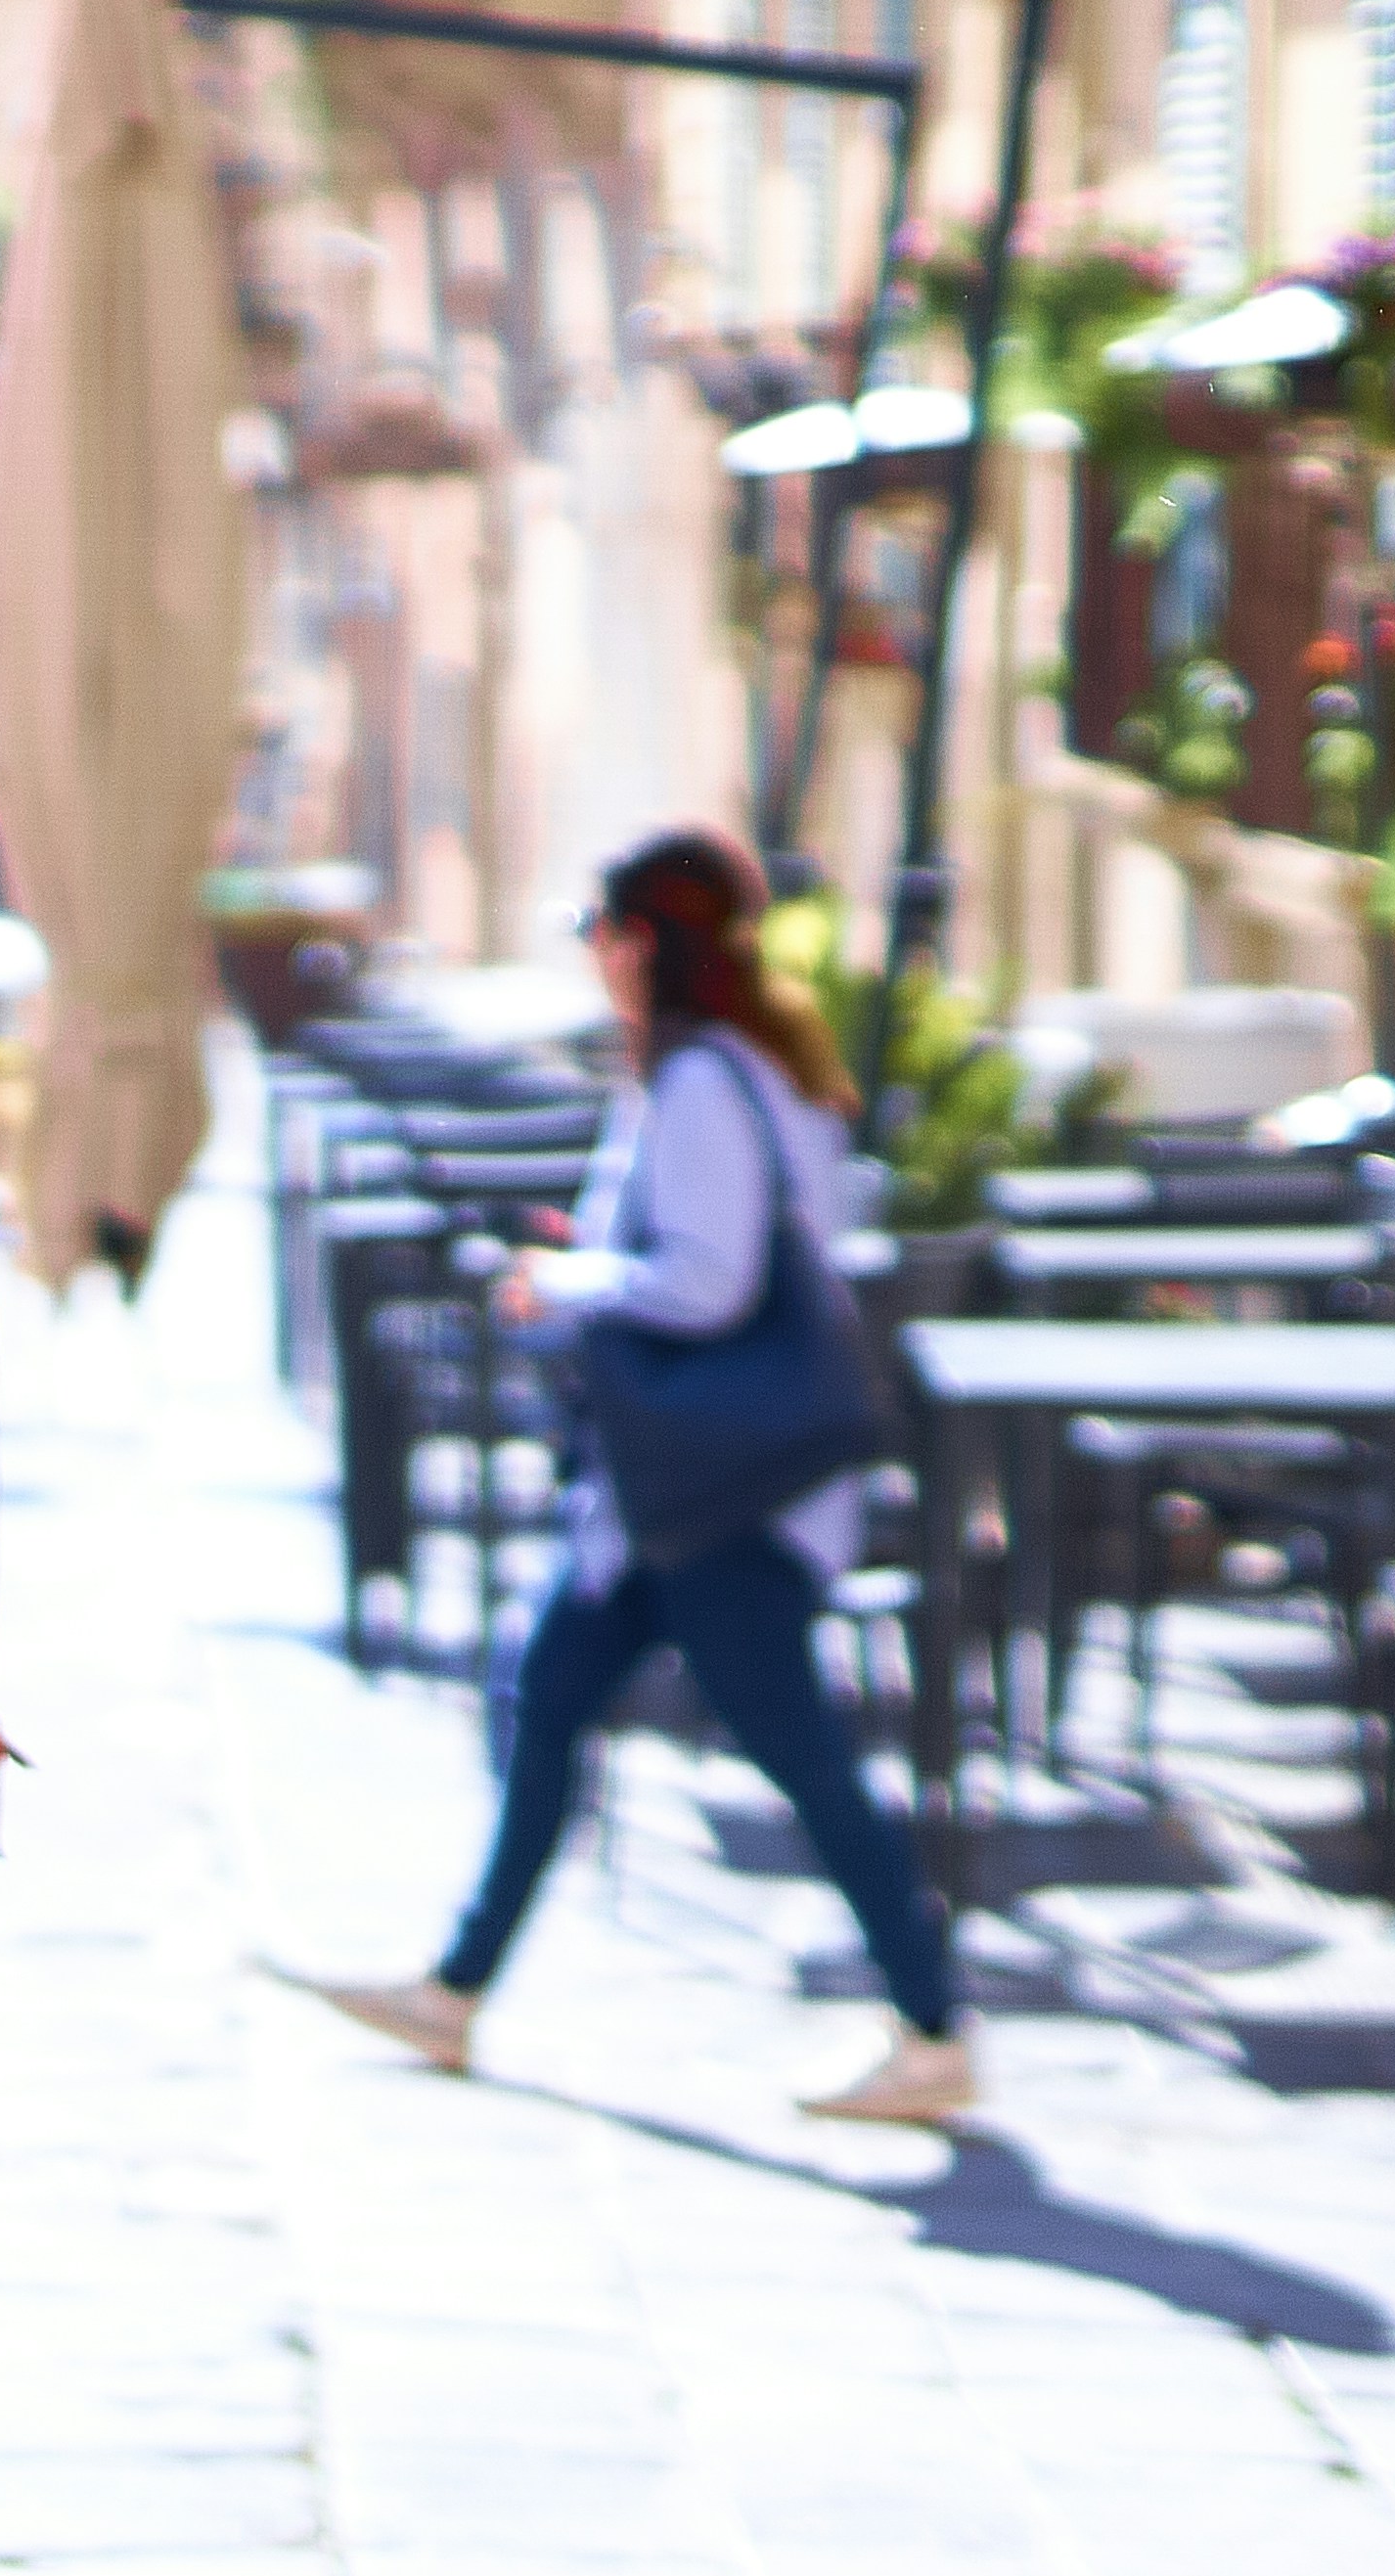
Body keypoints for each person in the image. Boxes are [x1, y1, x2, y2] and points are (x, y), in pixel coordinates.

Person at [298, 828, 974, 2124]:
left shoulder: (708, 1079)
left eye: (604, 935)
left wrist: (564, 1281)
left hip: (723, 1502)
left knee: (800, 1754)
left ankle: (935, 2027)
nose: (595, 961)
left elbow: (709, 1281)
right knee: (546, 1700)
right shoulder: (747, 1066)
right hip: (678, 1499)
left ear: (644, 943)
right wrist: (595, 1259)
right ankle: (455, 1991)